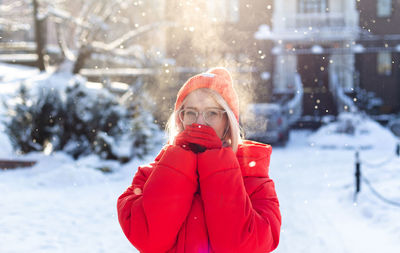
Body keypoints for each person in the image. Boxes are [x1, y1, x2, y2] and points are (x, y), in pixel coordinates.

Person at [117, 67, 281, 253]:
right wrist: (180, 159)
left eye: (212, 113)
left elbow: (241, 247)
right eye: (191, 113)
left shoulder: (255, 179)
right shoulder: (148, 175)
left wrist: (217, 163)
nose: (200, 123)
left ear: (228, 122)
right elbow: (150, 240)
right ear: (181, 119)